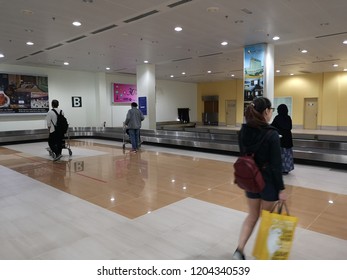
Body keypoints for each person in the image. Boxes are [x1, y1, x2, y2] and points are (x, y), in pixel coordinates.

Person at [233, 97, 287, 260]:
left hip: (250, 179)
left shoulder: (243, 131)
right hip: (268, 182)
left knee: (252, 215)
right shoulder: (272, 134)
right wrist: (281, 189)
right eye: (271, 110)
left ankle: (239, 251)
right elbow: (277, 166)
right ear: (266, 112)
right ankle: (262, 255)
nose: (272, 113)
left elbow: (244, 154)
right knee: (267, 219)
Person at [271, 104, 294, 174]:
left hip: (281, 139)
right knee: (288, 154)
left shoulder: (277, 118)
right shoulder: (288, 117)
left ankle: (281, 169)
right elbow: (290, 127)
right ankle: (287, 168)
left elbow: (272, 126)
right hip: (288, 138)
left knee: (281, 154)